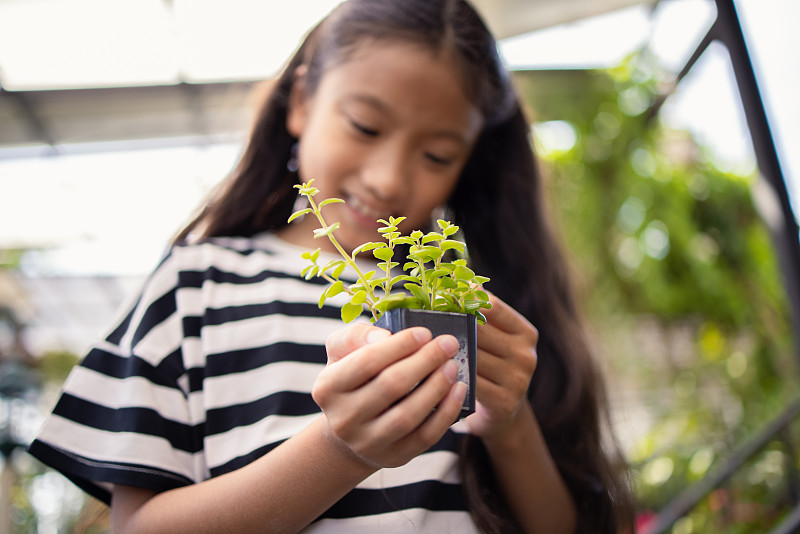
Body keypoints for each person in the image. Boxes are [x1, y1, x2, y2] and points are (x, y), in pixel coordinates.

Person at [28, 0, 633, 532]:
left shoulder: (469, 299)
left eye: (437, 154)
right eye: (365, 126)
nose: (389, 177)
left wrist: (508, 420)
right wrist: (341, 449)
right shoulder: (198, 286)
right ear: (301, 102)